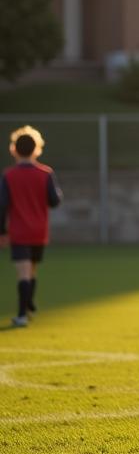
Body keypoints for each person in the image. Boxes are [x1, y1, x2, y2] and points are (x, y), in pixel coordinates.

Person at [0, 125, 62, 328]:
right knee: (32, 271)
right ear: (37, 149)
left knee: (24, 273)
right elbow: (54, 201)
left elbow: (2, 205)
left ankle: (21, 315)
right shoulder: (46, 174)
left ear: (14, 149)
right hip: (39, 232)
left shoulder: (8, 176)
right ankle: (28, 304)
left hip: (19, 232)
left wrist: (1, 231)